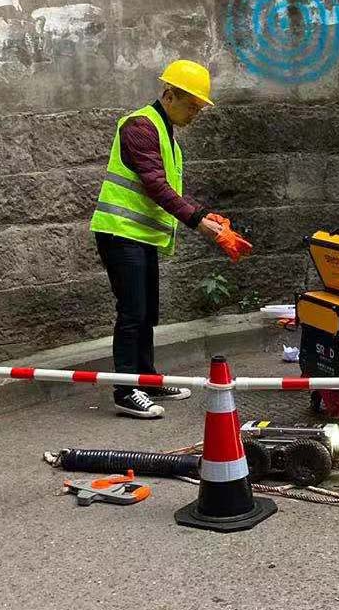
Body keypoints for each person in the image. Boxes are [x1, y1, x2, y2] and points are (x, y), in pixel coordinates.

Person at [90, 60, 233, 419]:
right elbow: (155, 184)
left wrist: (203, 213)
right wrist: (197, 220)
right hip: (120, 234)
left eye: (199, 108)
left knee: (147, 311)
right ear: (169, 95)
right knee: (132, 312)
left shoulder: (165, 134)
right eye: (191, 105)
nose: (195, 113)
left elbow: (166, 187)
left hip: (137, 237)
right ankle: (126, 389)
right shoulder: (140, 126)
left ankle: (147, 379)